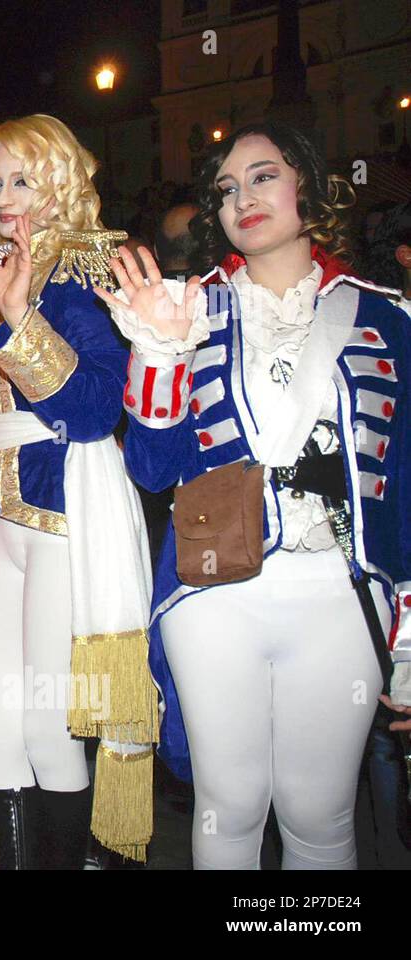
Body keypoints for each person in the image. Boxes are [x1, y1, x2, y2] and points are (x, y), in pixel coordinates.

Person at [98, 121, 411, 869]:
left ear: (308, 185)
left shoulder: (385, 314)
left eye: (264, 176)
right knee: (228, 808)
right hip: (216, 590)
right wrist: (159, 353)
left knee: (320, 814)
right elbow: (149, 465)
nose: (244, 197)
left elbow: (404, 484)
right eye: (227, 188)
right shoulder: (185, 306)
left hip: (339, 590)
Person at [0, 114, 157, 868]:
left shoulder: (92, 269)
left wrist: (18, 317)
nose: (6, 197)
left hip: (64, 514)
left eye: (24, 179)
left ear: (62, 182)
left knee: (50, 726)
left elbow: (95, 410)